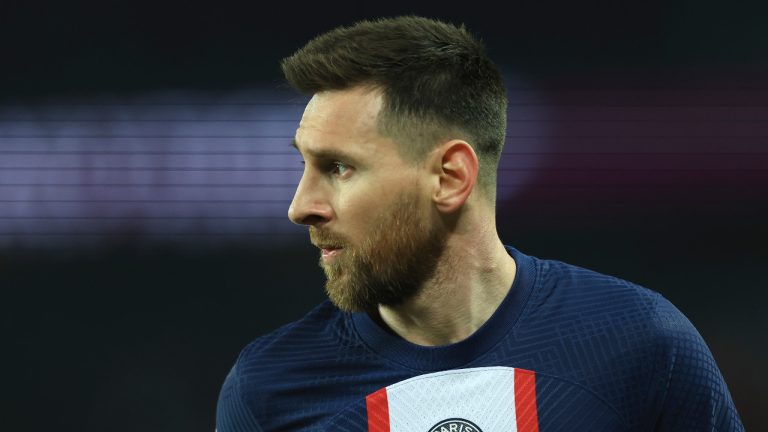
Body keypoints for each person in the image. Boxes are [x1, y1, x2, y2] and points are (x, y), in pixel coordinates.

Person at [216, 16, 743, 432]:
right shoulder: (269, 389)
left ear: (450, 177)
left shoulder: (641, 344)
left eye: (338, 168)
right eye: (304, 165)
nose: (300, 204)